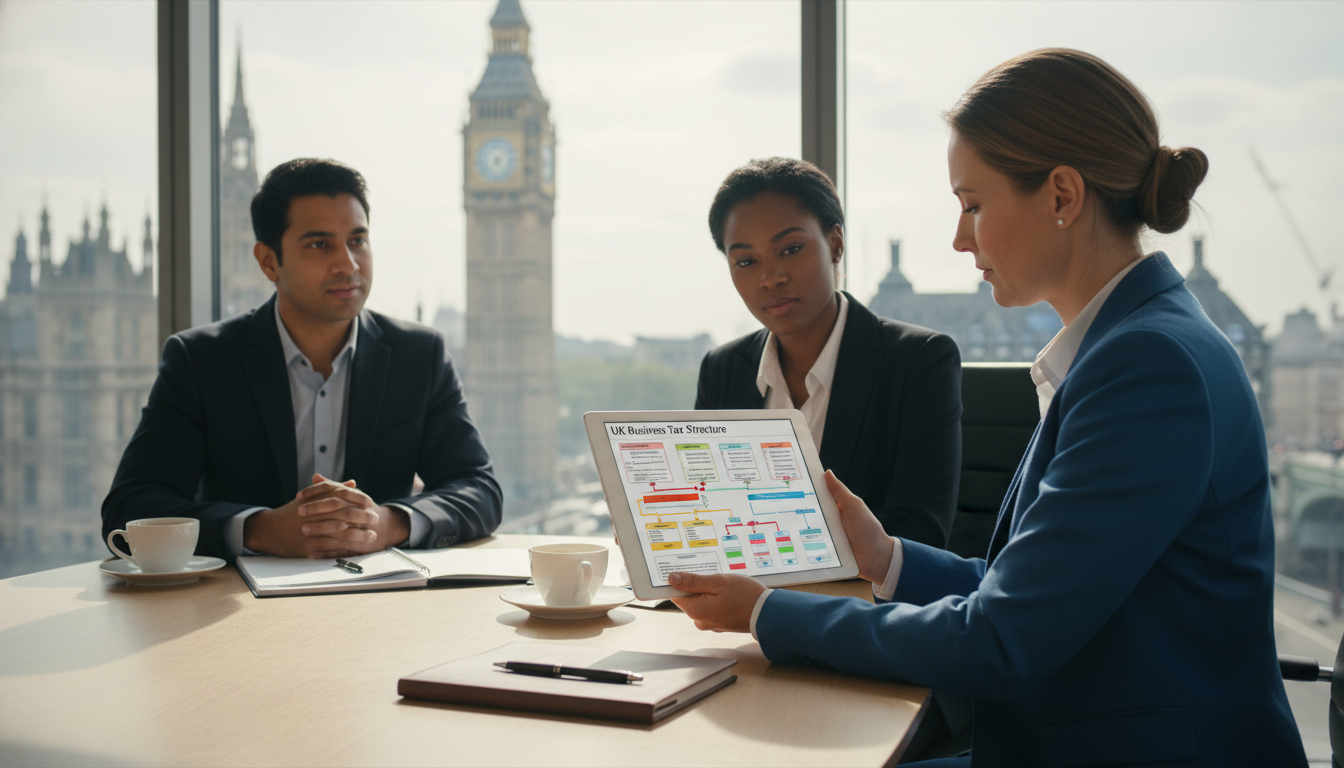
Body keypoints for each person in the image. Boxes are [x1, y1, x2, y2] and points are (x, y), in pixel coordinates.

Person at [669, 49, 1306, 766]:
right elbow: (1027, 593)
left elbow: (1001, 637)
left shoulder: (1147, 368)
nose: (960, 236)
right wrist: (886, 558)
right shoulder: (1134, 345)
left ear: (1062, 197)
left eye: (973, 204)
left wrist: (765, 610)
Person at [103, 158, 502, 560]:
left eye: (358, 240)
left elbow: (479, 489)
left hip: (383, 602)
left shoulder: (419, 355)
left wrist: (387, 523)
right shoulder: (201, 361)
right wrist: (257, 529)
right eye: (319, 244)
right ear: (268, 261)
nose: (348, 264)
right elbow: (131, 506)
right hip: (236, 610)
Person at [697, 157, 962, 549]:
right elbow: (708, 512)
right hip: (742, 601)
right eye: (746, 261)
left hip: (858, 606)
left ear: (835, 245)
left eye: (790, 249)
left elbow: (919, 536)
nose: (771, 278)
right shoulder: (723, 368)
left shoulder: (918, 362)